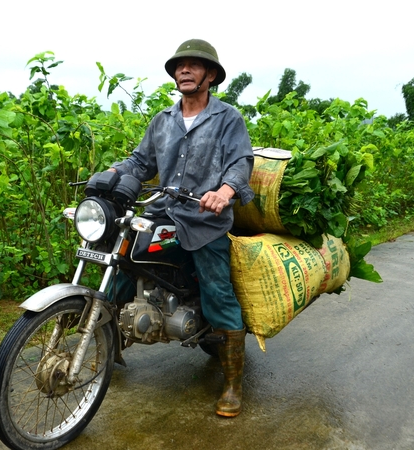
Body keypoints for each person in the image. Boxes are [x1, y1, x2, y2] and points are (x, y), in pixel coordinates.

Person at [108, 39, 254, 417]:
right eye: (179, 66)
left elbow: (240, 163)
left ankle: (233, 383)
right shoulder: (163, 120)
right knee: (125, 260)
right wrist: (113, 172)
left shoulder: (227, 118)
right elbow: (140, 163)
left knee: (217, 290)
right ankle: (107, 343)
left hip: (205, 219)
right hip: (165, 211)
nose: (184, 70)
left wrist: (223, 191)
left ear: (211, 76)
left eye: (193, 65)